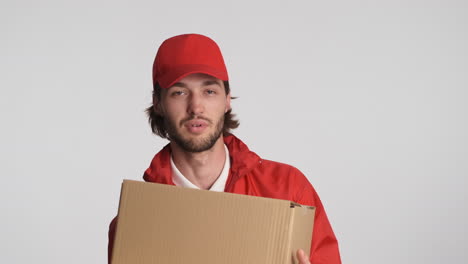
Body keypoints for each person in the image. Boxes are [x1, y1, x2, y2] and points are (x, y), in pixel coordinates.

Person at [108, 33, 341, 264]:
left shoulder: (288, 189)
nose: (196, 107)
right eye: (179, 92)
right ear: (158, 103)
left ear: (227, 100)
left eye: (209, 91)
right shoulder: (135, 223)